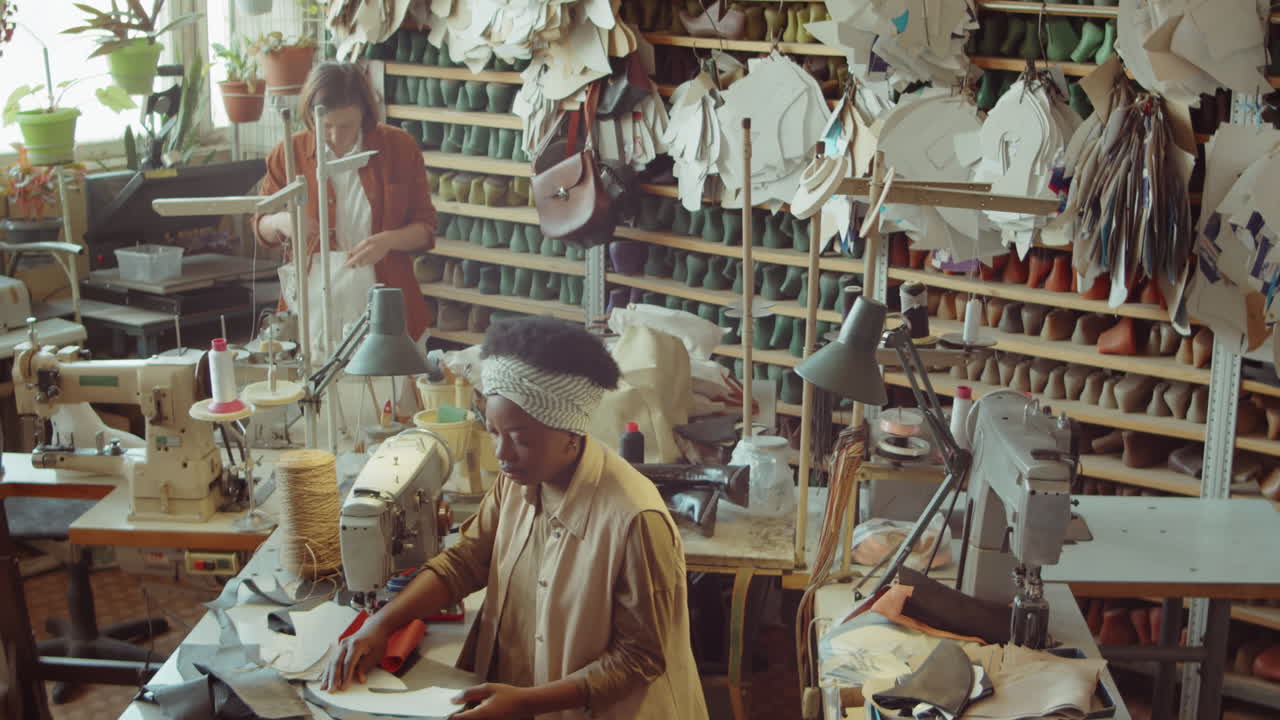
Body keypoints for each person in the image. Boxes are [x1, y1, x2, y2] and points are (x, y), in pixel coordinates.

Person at [322, 316, 709, 720]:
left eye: (520, 439)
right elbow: (465, 562)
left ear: (570, 435)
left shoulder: (635, 520)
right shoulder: (517, 480)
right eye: (493, 432)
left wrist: (527, 702)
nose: (502, 453)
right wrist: (381, 625)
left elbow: (639, 658)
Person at [254, 61, 434, 349]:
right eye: (325, 126)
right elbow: (261, 226)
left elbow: (425, 229)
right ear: (310, 116)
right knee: (316, 374)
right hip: (313, 306)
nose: (336, 137)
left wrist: (388, 241)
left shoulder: (399, 148)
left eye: (346, 126)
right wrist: (282, 222)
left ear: (365, 113)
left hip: (386, 297)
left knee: (390, 375)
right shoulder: (289, 152)